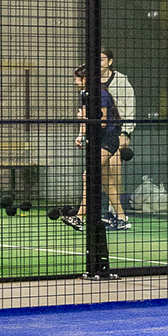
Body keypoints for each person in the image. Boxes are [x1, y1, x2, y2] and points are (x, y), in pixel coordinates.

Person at [64, 63, 127, 232]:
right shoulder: (85, 94)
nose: (75, 81)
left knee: (89, 175)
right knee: (106, 180)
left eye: (77, 78)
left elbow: (102, 122)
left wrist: (84, 117)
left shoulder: (101, 94)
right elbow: (86, 118)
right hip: (98, 140)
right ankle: (122, 219)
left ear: (86, 79)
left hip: (109, 139)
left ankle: (79, 217)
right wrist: (81, 135)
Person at [100, 48, 135, 210]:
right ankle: (107, 207)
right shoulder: (91, 80)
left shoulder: (121, 81)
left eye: (101, 59)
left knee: (114, 168)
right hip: (98, 131)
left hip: (116, 130)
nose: (98, 63)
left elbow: (130, 107)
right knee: (100, 171)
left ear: (110, 61)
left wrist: (125, 132)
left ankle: (114, 209)